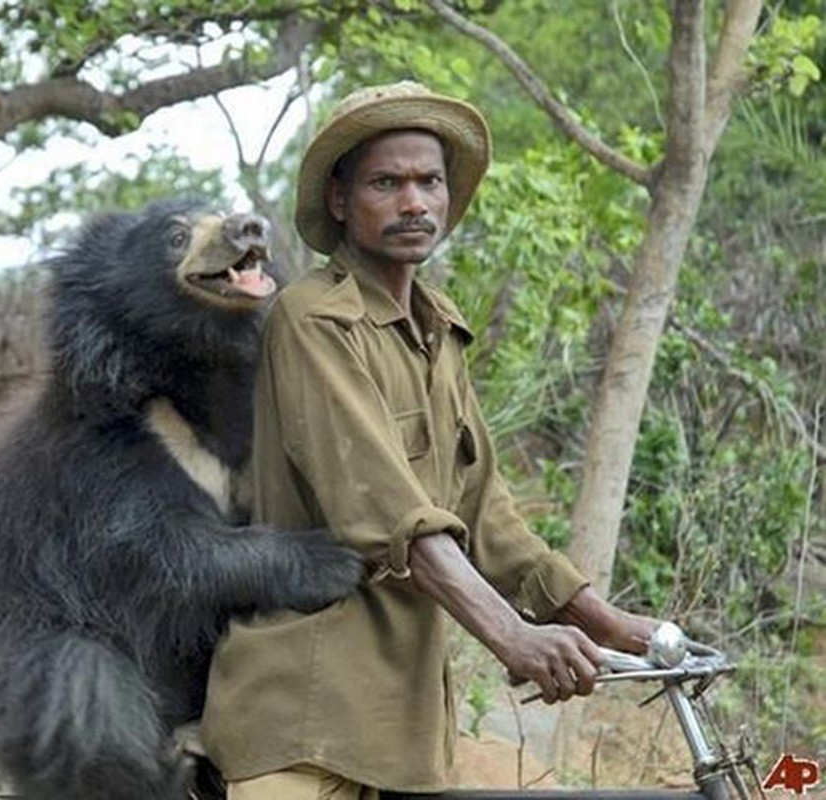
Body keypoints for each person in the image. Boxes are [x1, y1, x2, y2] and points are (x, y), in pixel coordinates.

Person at [199, 81, 658, 799]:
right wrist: (512, 636)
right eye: (388, 182)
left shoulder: (438, 330)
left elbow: (489, 521)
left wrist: (617, 626)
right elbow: (388, 513)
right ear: (340, 201)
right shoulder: (315, 320)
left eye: (429, 182)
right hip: (308, 716)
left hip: (403, 728)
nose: (414, 202)